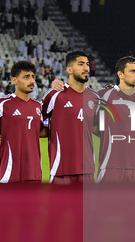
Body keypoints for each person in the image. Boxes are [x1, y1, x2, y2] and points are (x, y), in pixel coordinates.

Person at [41, 50, 96, 183]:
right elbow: (33, 122)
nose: (86, 68)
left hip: (88, 171)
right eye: (81, 64)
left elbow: (97, 129)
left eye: (87, 64)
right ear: (69, 69)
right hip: (61, 170)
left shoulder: (95, 98)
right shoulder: (55, 95)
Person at [95, 56, 135, 183]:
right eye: (132, 71)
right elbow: (88, 122)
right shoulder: (104, 96)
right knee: (106, 203)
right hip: (110, 166)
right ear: (120, 74)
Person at [0, 61, 45, 183]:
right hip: (9, 172)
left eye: (33, 77)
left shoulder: (38, 106)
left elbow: (39, 131)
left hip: (34, 172)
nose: (31, 81)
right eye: (26, 77)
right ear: (14, 80)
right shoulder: (2, 104)